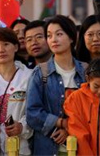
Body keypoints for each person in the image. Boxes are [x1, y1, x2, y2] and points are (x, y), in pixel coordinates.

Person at [26, 15, 88, 155]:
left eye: (59, 34)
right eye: (49, 35)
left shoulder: (85, 71)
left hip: (81, 147)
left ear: (72, 38)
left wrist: (69, 129)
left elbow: (92, 111)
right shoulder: (41, 72)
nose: (53, 39)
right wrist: (60, 122)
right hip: (48, 148)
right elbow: (32, 113)